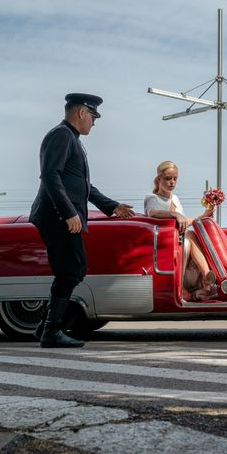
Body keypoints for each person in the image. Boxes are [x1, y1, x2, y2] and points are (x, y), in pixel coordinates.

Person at [30, 93, 135, 348]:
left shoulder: (70, 138)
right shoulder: (62, 135)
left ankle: (46, 328)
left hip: (60, 215)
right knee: (71, 270)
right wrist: (68, 213)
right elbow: (50, 177)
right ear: (81, 113)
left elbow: (83, 185)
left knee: (72, 269)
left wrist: (112, 207)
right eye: (93, 116)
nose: (94, 123)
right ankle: (51, 332)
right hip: (58, 217)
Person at [144, 161, 216, 300]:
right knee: (187, 241)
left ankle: (207, 277)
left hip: (181, 245)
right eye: (168, 178)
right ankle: (180, 288)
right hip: (164, 247)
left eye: (175, 179)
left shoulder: (175, 199)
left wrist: (203, 216)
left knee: (192, 235)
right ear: (159, 179)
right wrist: (174, 214)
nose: (172, 182)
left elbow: (184, 222)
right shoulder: (152, 198)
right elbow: (151, 212)